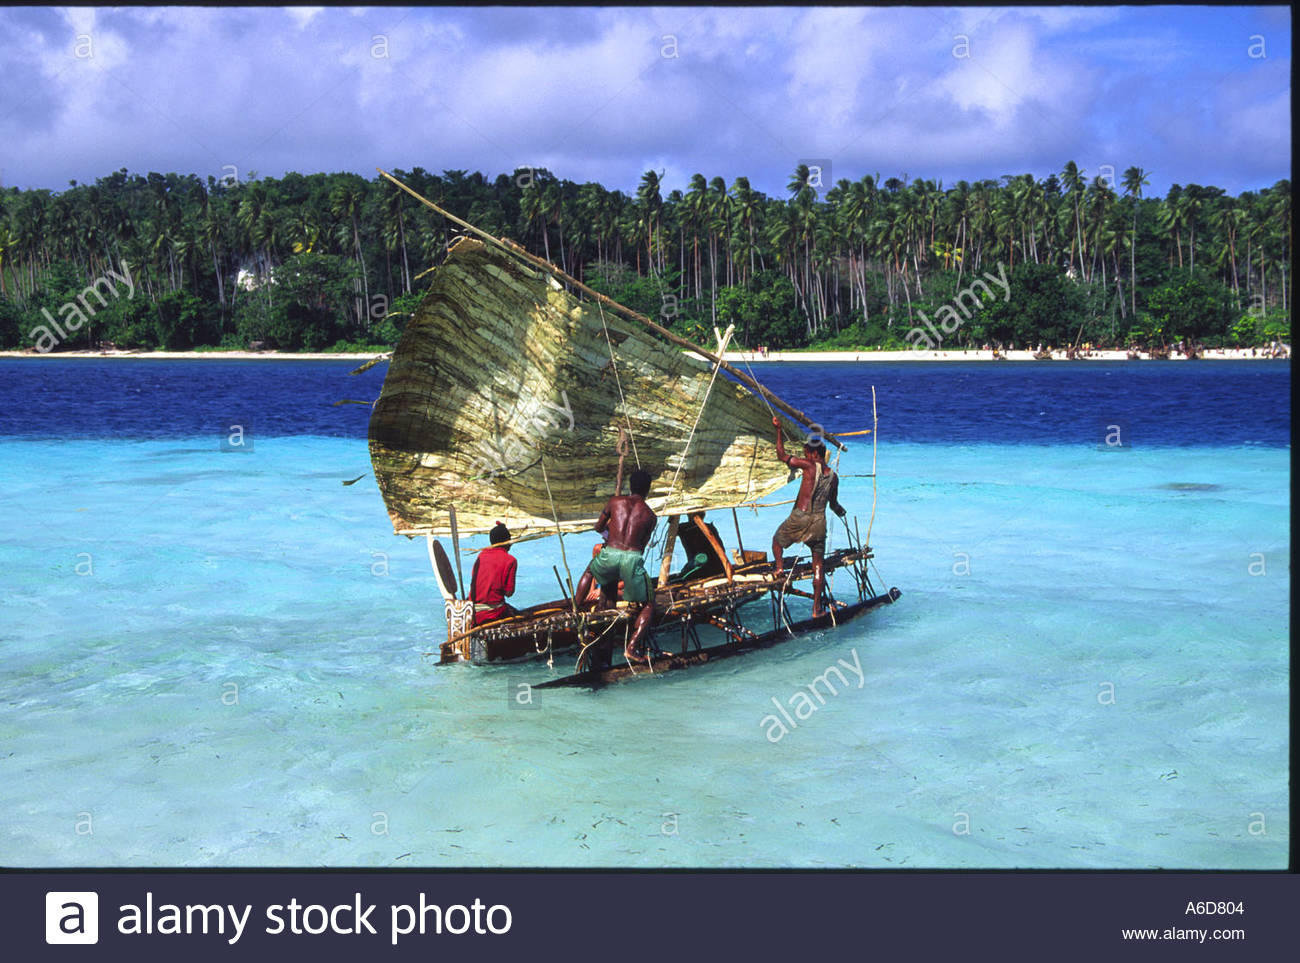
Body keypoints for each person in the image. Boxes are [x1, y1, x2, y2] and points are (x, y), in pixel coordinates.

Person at [574, 468, 658, 661]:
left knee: (589, 571)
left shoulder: (614, 502)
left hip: (610, 553)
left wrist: (611, 534)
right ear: (648, 490)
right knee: (649, 603)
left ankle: (575, 609)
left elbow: (598, 527)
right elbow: (642, 547)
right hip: (632, 557)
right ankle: (632, 646)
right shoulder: (651, 516)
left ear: (630, 485)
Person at [770, 417, 847, 617]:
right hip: (819, 523)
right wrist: (841, 512)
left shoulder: (809, 466)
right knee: (818, 566)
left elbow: (781, 455)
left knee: (777, 541)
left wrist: (778, 430)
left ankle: (779, 570)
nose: (806, 456)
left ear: (814, 453)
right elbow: (834, 504)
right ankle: (816, 610)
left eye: (806, 453)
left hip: (800, 517)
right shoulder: (834, 477)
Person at [469, 522, 517, 626]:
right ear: (507, 541)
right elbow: (509, 593)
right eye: (509, 540)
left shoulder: (481, 555)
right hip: (493, 612)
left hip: (473, 612)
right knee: (519, 616)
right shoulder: (510, 560)